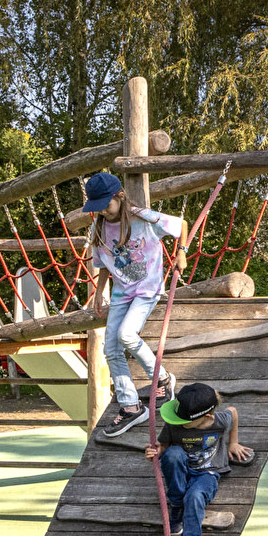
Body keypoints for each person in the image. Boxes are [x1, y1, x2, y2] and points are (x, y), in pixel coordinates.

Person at [83, 172, 186, 437]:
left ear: (120, 197)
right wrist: (99, 292)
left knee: (127, 335)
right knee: (111, 349)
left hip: (146, 289)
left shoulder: (143, 217)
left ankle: (161, 377)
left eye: (107, 205)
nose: (104, 211)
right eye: (98, 208)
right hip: (121, 293)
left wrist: (181, 253)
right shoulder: (99, 227)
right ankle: (130, 406)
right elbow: (102, 262)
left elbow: (181, 225)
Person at [143, 383, 254, 536]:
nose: (179, 423)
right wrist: (155, 452)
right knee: (172, 455)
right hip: (182, 470)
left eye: (185, 422)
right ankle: (176, 505)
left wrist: (233, 442)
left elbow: (234, 413)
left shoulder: (219, 421)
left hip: (207, 473)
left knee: (194, 496)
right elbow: (164, 447)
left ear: (207, 417)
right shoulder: (175, 423)